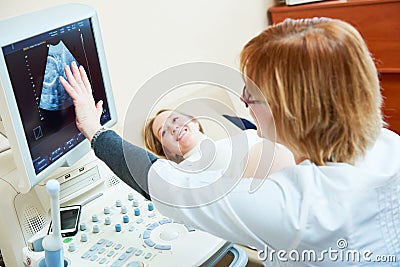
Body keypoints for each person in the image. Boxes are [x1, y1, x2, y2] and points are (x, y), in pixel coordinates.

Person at [60, 17, 400, 266]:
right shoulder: (389, 145)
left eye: (253, 93)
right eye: (164, 131)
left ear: (295, 112)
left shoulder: (292, 206)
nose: (244, 100)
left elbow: (161, 184)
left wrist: (93, 126)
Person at [143, 109, 295, 176]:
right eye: (163, 132)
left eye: (175, 119)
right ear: (167, 151)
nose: (174, 128)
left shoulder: (246, 134)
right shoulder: (184, 172)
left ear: (194, 122)